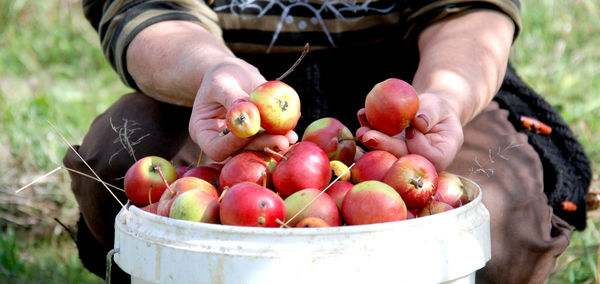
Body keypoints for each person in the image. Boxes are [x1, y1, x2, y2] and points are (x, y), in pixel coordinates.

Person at [64, 0, 591, 283]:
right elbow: (144, 8)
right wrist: (212, 70)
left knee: (496, 225)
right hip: (219, 91)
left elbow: (470, 10)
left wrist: (445, 96)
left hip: (407, 100)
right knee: (120, 169)